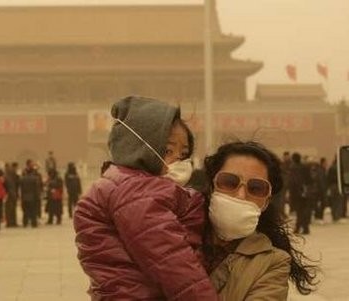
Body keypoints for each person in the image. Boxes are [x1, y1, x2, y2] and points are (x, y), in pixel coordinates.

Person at [74, 96, 219, 300]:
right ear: (139, 147)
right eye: (168, 150)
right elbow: (173, 263)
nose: (179, 159)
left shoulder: (120, 184)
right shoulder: (136, 193)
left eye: (184, 153)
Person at [202, 141, 319, 300]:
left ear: (266, 202)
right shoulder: (172, 232)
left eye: (256, 188)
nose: (241, 195)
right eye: (229, 182)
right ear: (211, 187)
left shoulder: (273, 263)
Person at [20, 160, 41, 228]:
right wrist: (38, 197)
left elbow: (21, 189)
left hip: (25, 197)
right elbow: (36, 189)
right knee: (33, 211)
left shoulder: (23, 179)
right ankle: (33, 223)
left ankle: (25, 223)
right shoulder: (35, 178)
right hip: (33, 197)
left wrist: (21, 197)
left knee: (25, 211)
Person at [5, 162, 20, 227]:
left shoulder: (7, 175)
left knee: (10, 208)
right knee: (11, 209)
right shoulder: (12, 175)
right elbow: (16, 183)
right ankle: (11, 222)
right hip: (11, 193)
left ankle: (11, 222)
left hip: (10, 193)